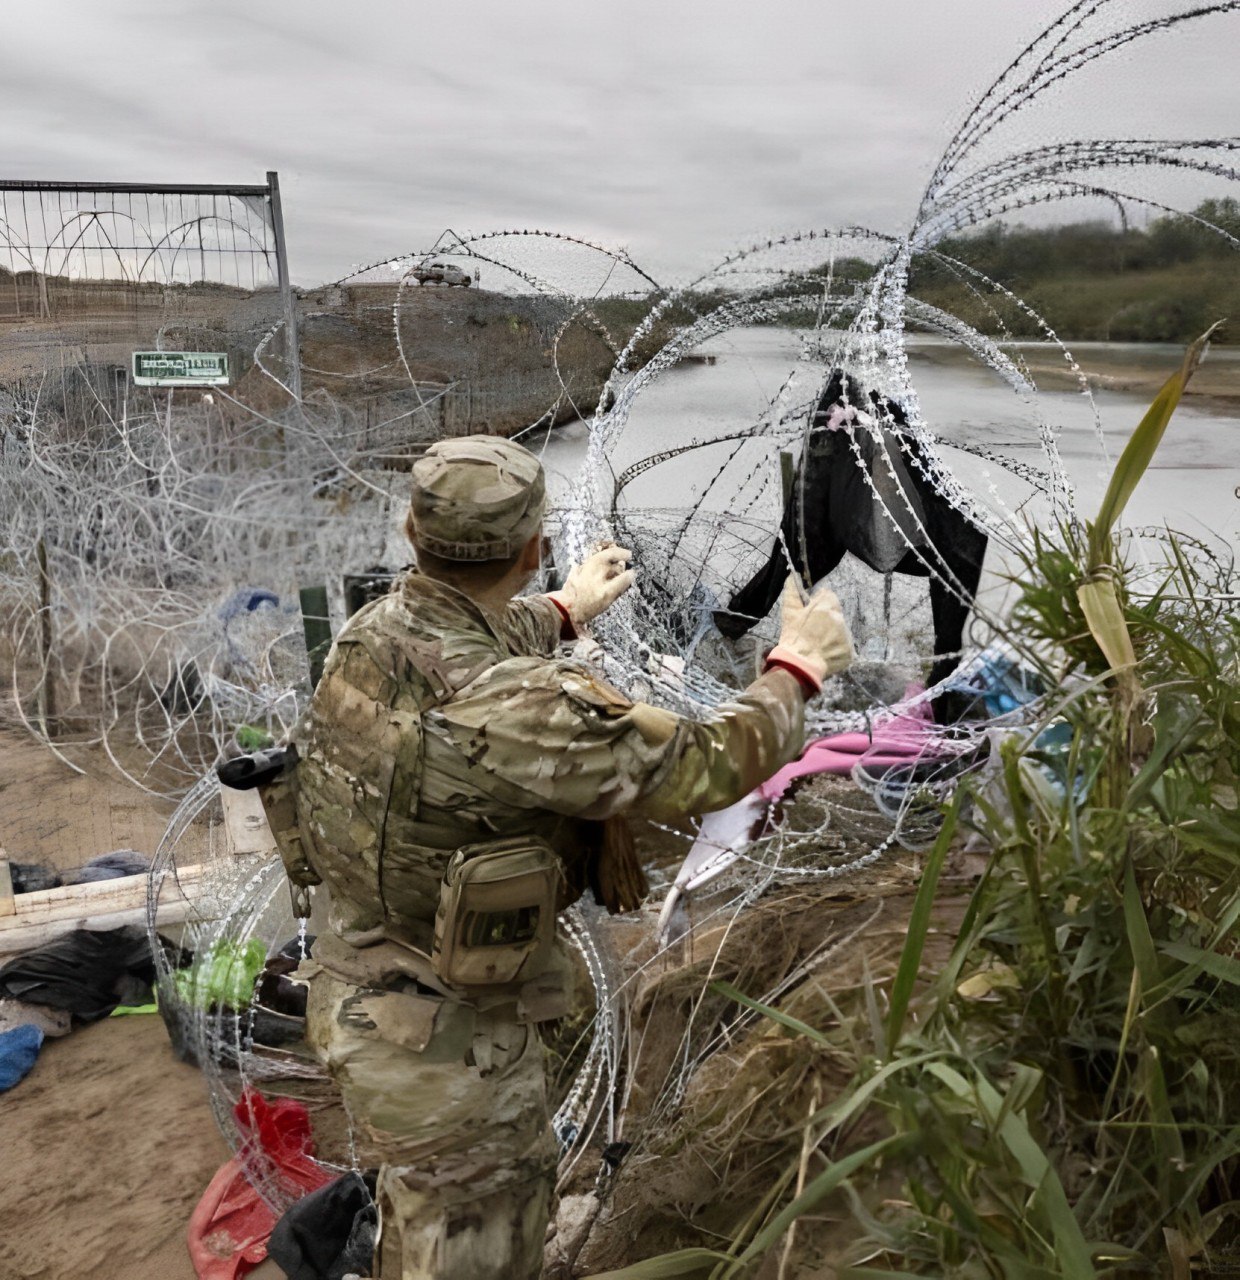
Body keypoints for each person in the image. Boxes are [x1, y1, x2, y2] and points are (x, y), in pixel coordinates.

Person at [279, 434, 854, 1279]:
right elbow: (705, 764)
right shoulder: (524, 708)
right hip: (449, 1048)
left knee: (422, 1208)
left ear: (412, 534)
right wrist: (797, 669)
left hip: (360, 986)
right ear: (532, 548)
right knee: (474, 1238)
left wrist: (563, 611)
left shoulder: (372, 632)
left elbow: (461, 644)